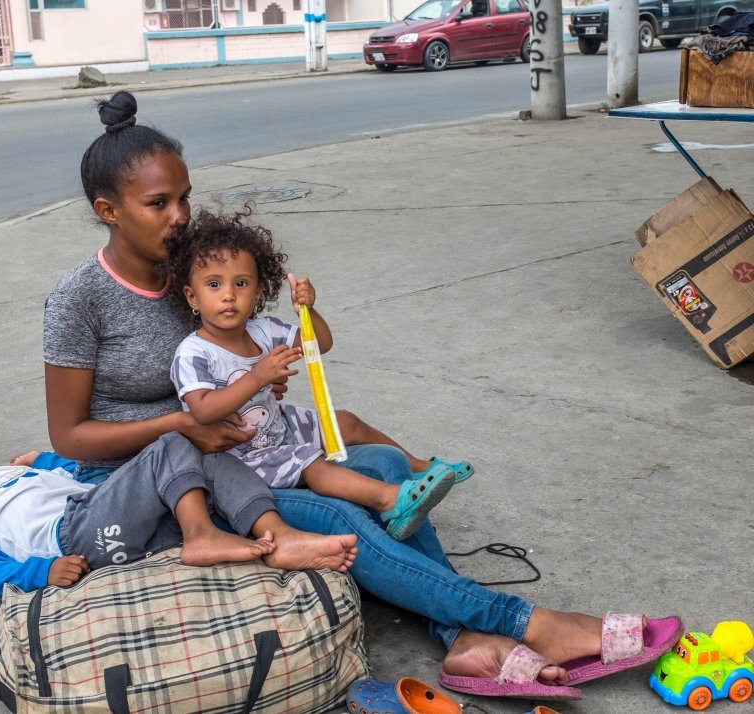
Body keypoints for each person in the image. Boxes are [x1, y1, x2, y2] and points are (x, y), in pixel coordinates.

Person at [41, 90, 683, 701]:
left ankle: (459, 636)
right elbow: (69, 438)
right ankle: (524, 622)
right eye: (159, 204)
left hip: (246, 447)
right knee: (344, 518)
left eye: (185, 197)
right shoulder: (81, 299)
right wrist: (184, 425)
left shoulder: (201, 276)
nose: (179, 217)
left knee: (377, 465)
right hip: (163, 483)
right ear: (108, 210)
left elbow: (273, 348)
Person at [164, 207, 455, 542]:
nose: (228, 294)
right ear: (192, 297)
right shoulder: (194, 352)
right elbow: (202, 410)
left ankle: (421, 467)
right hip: (238, 458)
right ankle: (389, 500)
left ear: (258, 293)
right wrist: (258, 377)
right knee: (312, 462)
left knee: (344, 421)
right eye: (214, 284)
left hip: (278, 426)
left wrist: (308, 310)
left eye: (241, 283)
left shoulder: (264, 330)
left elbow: (320, 344)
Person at [0, 434, 358, 599]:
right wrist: (40, 571)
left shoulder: (8, 476)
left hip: (109, 524)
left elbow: (92, 482)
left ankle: (278, 535)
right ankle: (200, 536)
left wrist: (44, 462)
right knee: (174, 445)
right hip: (76, 537)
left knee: (206, 458)